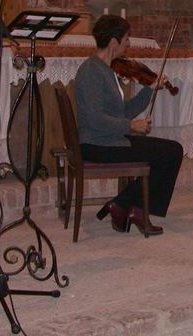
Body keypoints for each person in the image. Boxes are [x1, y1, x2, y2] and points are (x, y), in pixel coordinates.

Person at [74, 14, 183, 235]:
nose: (128, 44)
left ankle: (124, 205)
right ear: (113, 42)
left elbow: (122, 111)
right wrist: (131, 127)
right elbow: (95, 119)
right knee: (170, 154)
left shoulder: (107, 69)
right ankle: (131, 207)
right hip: (97, 144)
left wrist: (149, 89)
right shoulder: (91, 71)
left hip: (109, 139)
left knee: (172, 150)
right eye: (126, 39)